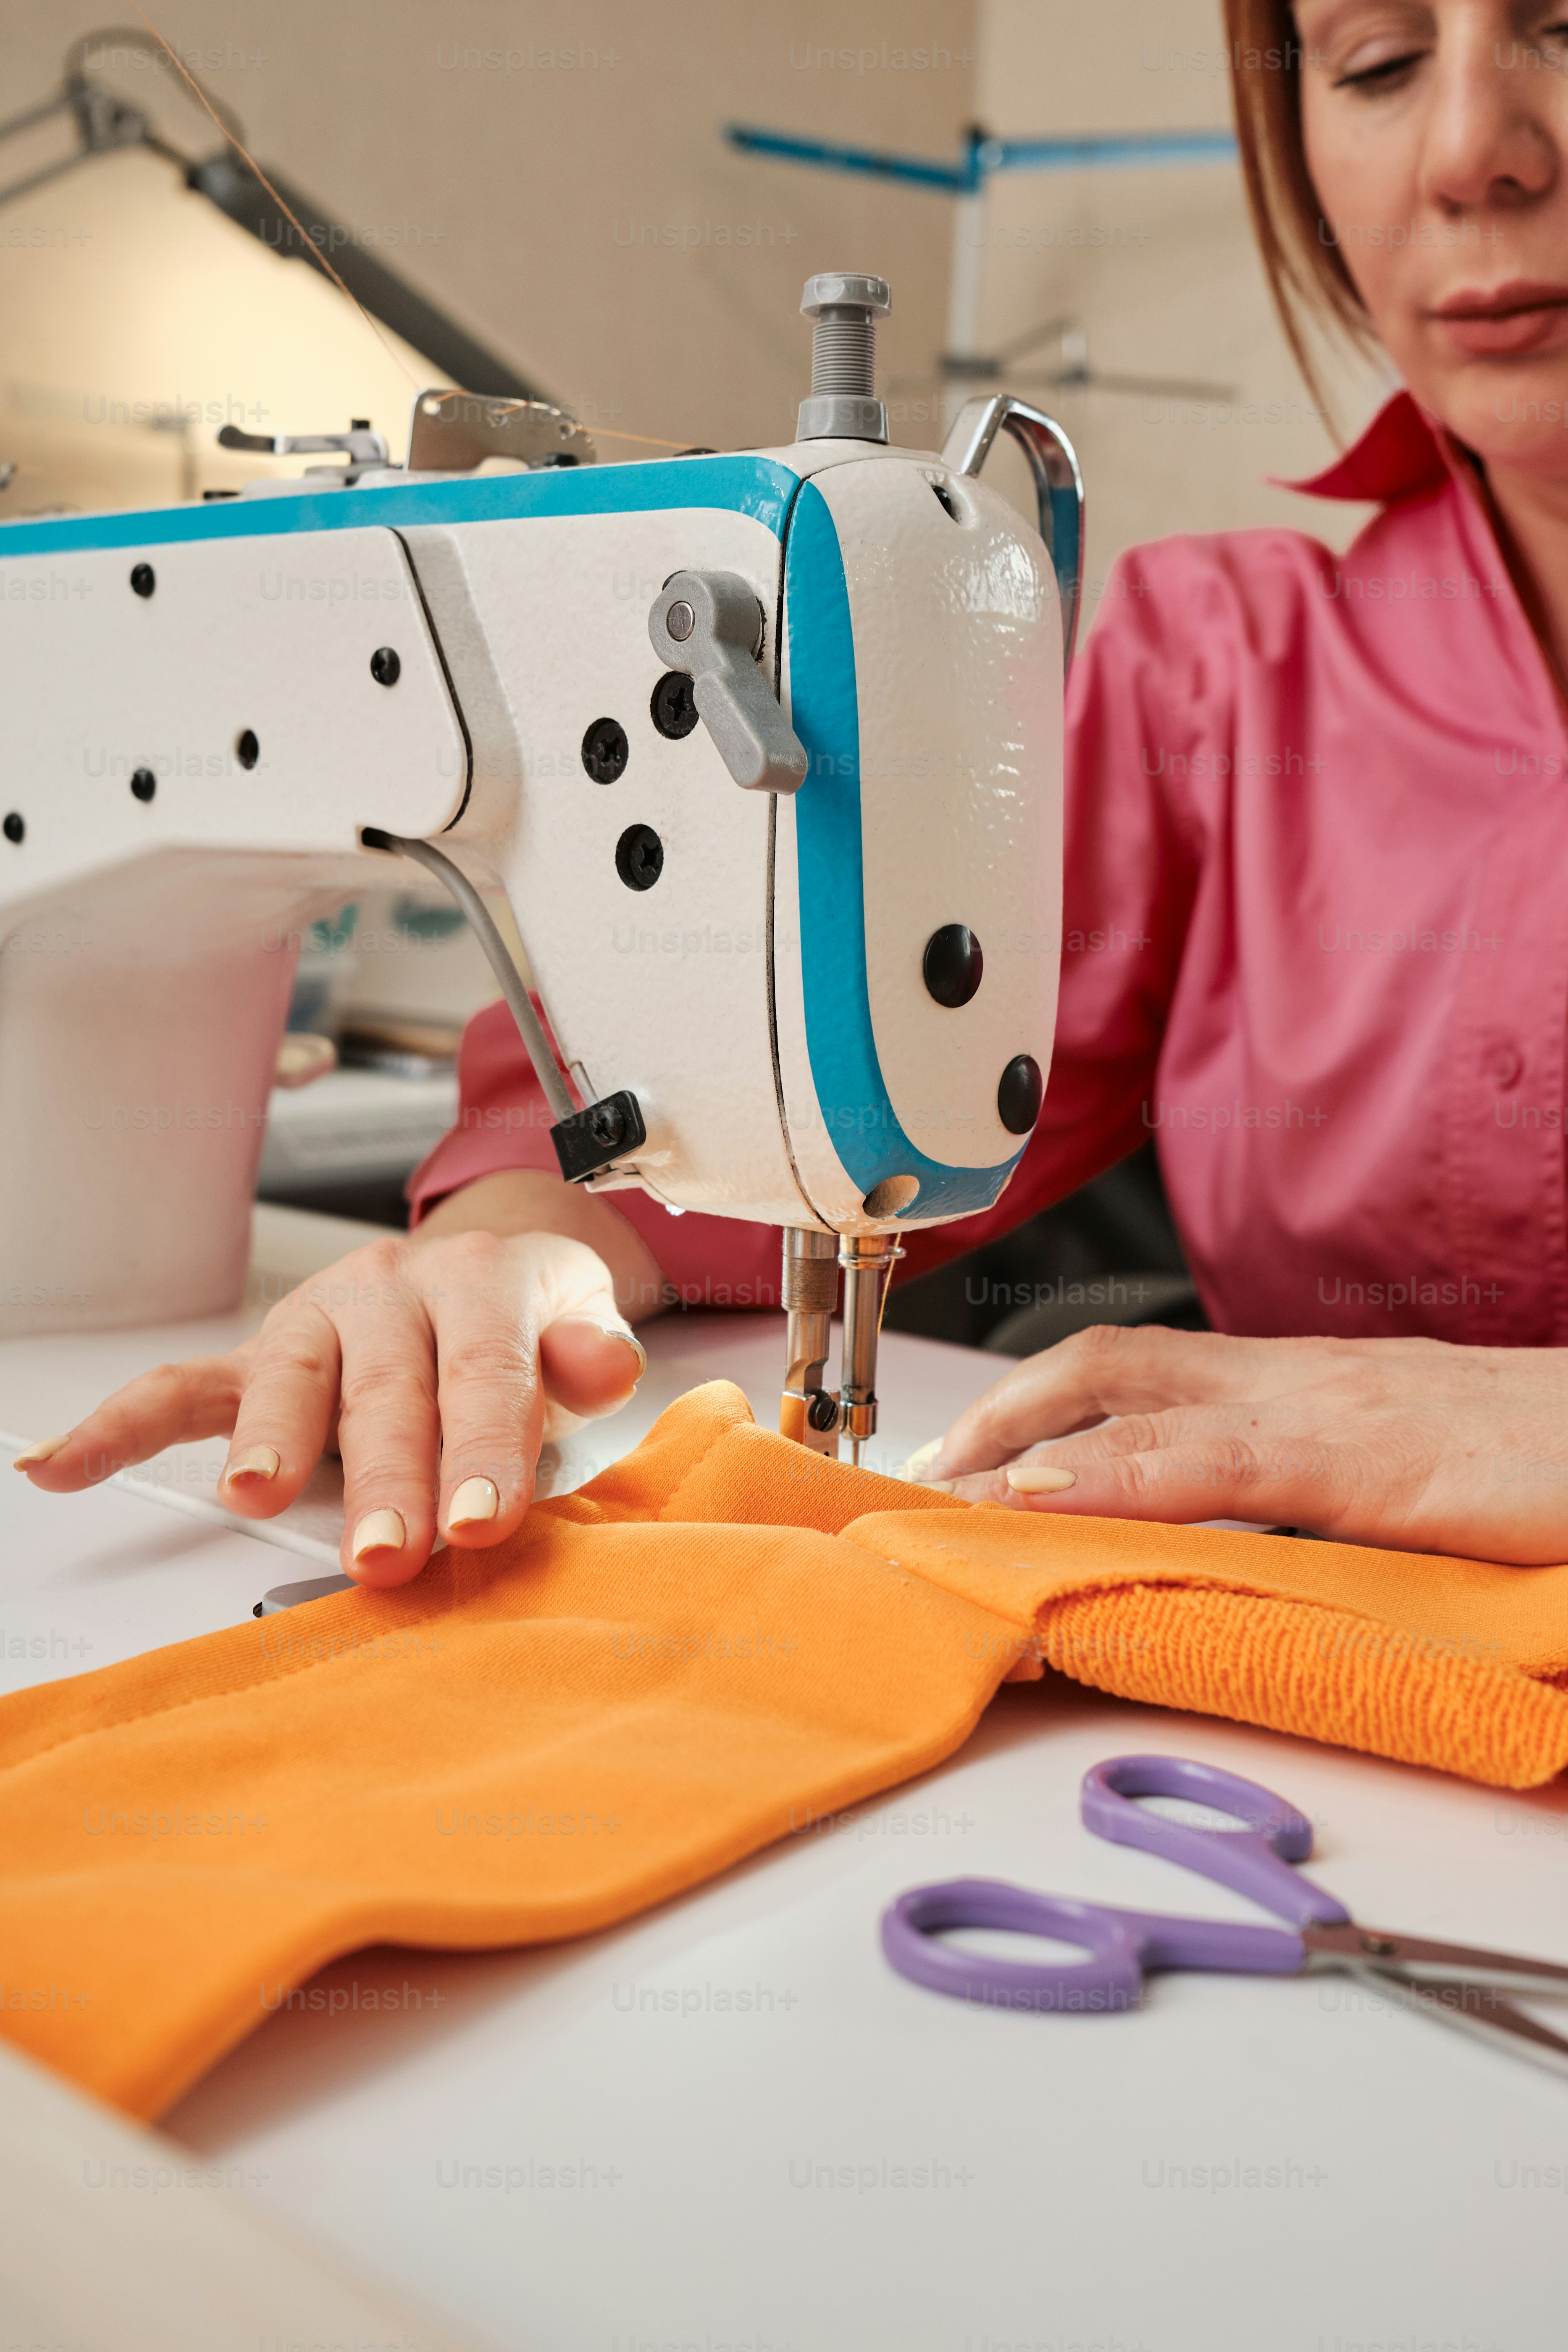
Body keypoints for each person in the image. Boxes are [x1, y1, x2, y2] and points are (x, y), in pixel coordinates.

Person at [18, 0, 1568, 1576]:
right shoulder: (1222, 679)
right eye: (1374, 64)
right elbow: (804, 1042)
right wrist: (504, 1265)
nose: (1471, 156)